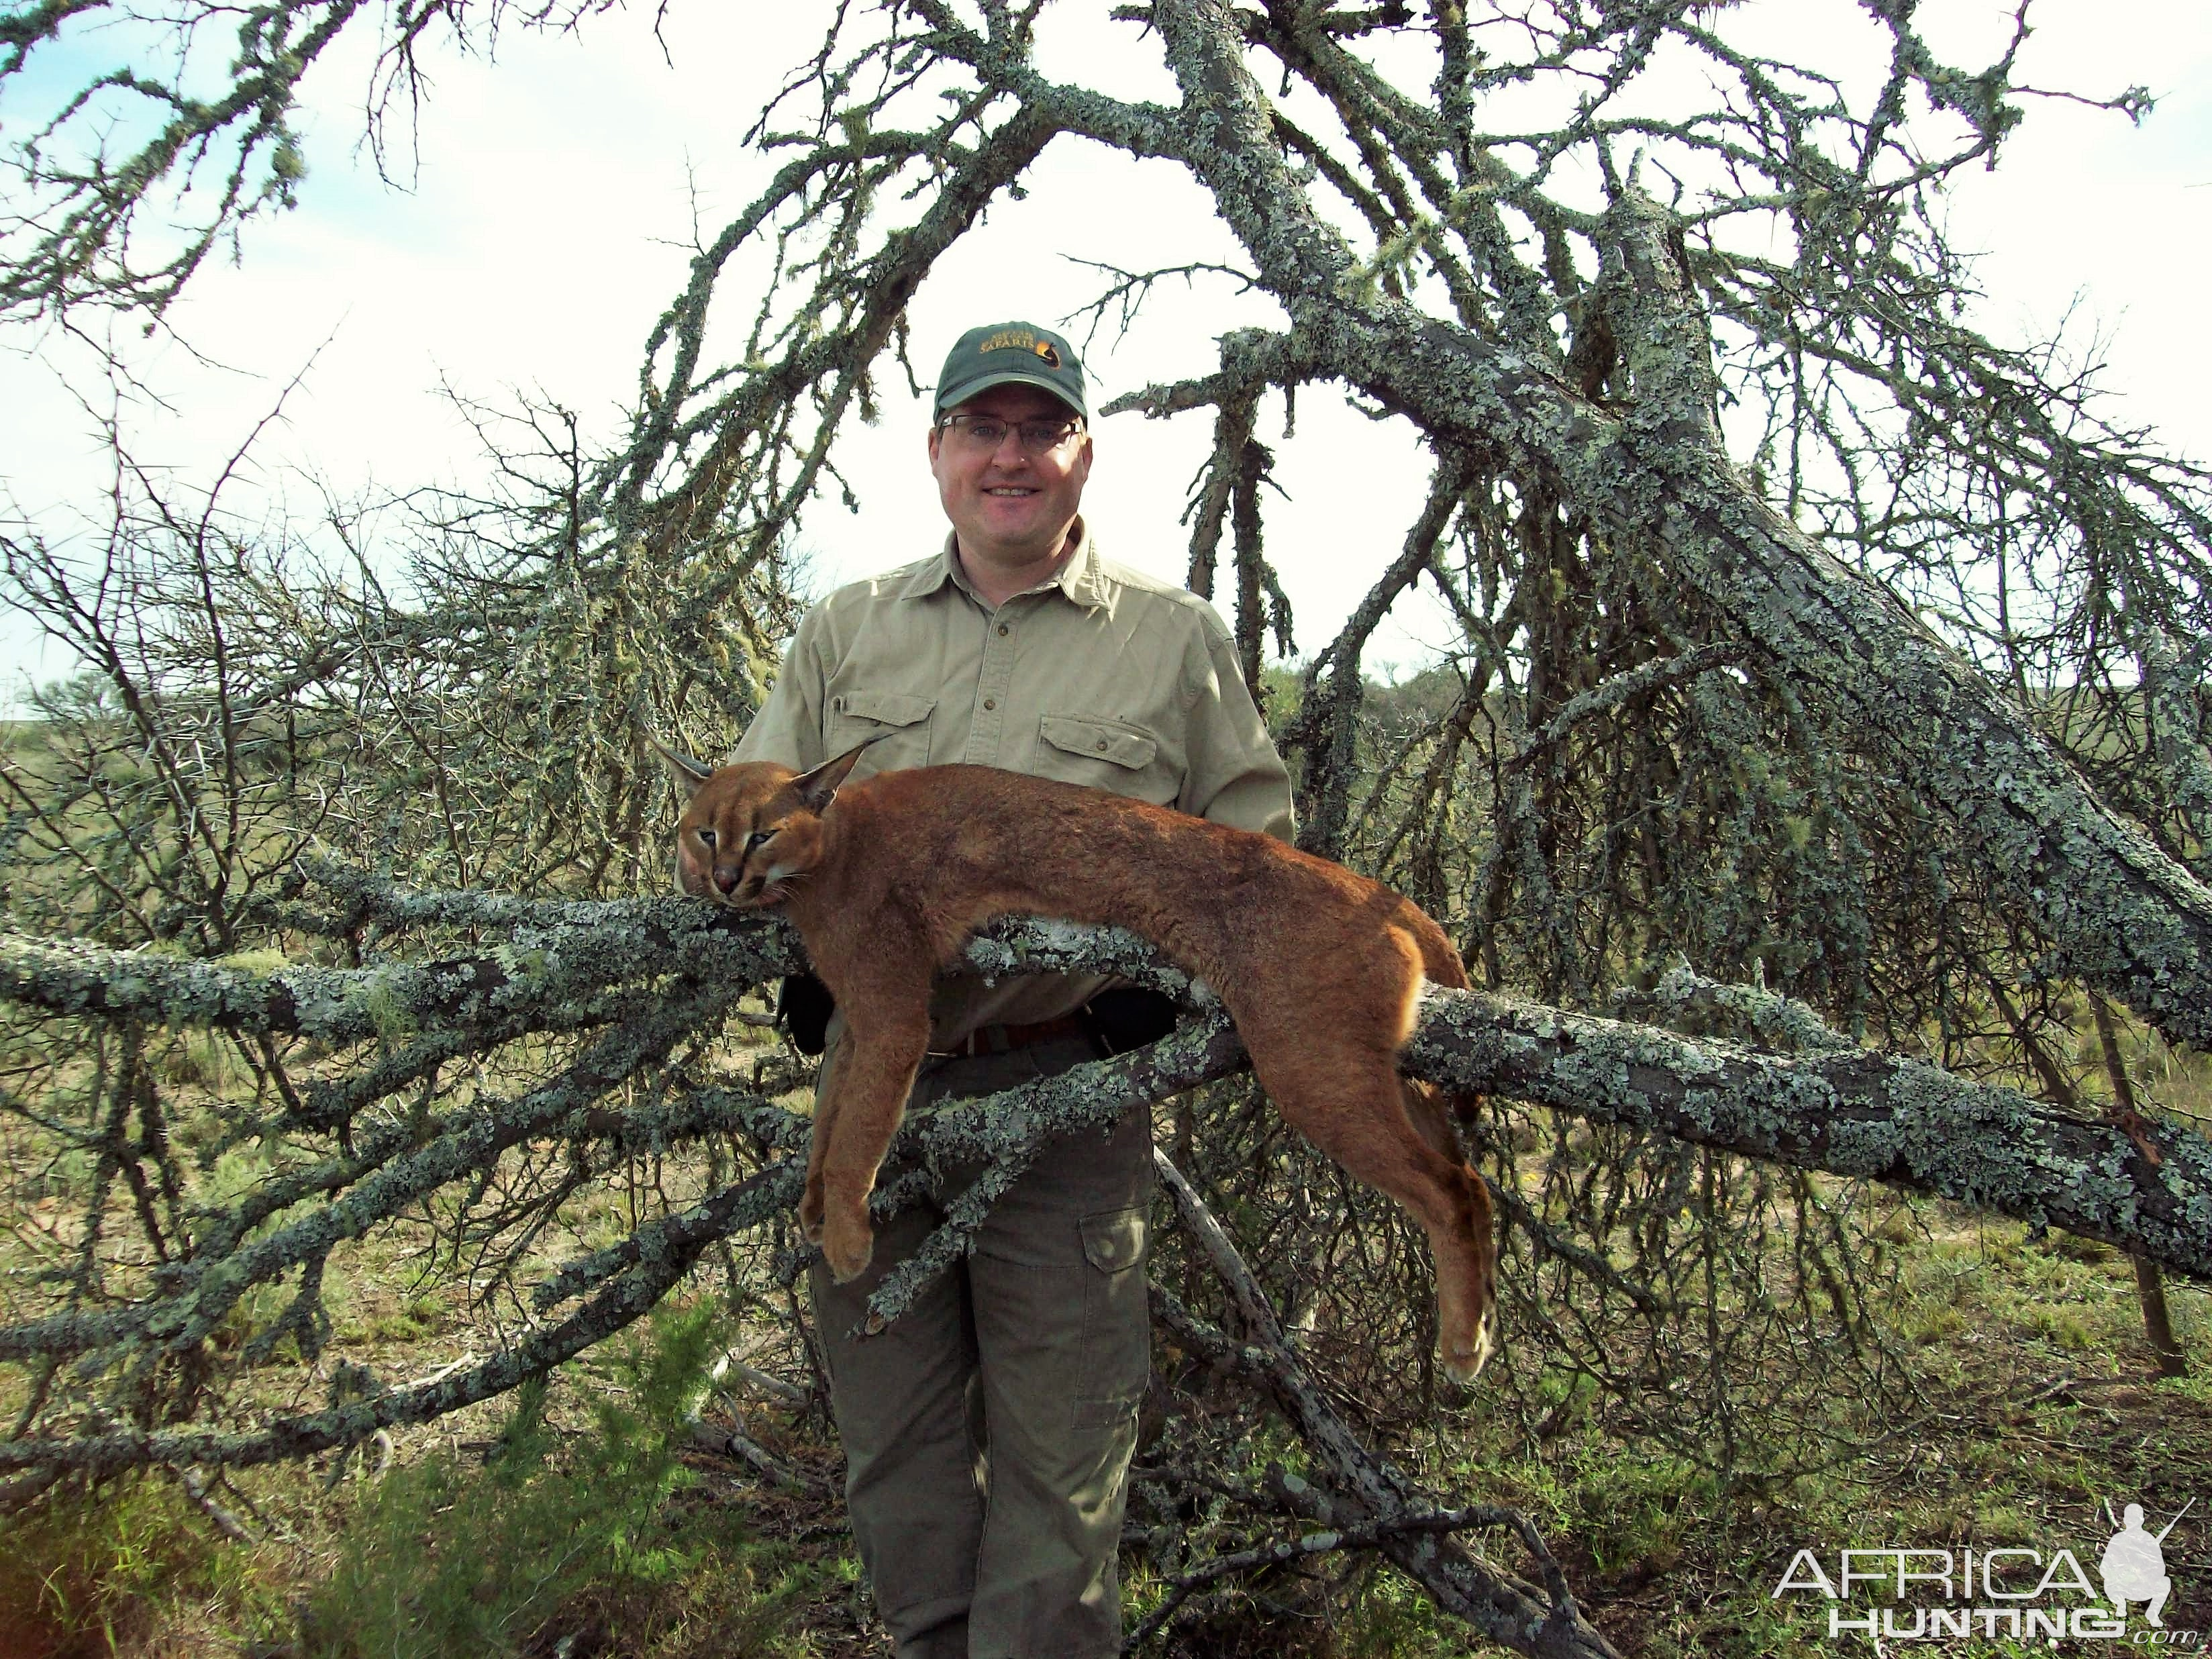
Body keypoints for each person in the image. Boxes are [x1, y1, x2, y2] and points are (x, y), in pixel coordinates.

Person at [732, 319, 1294, 1658]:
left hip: (1070, 1098)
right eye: (983, 427)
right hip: (872, 1101)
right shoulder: (844, 630)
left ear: (1083, 454)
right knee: (896, 1453)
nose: (1011, 455)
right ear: (936, 451)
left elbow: (1253, 853)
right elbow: (749, 818)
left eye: (1042, 428)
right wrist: (800, 965)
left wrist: (1152, 998)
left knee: (1063, 1466)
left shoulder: (1170, 640)